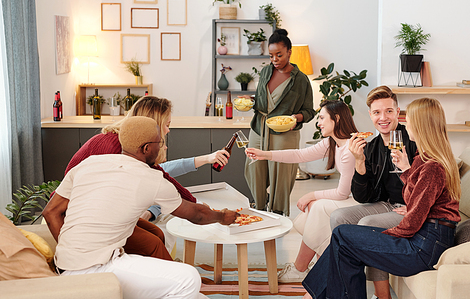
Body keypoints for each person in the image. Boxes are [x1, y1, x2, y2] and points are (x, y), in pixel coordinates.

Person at [43, 116, 239, 299]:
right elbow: (196, 215)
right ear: (146, 148)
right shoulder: (151, 179)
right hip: (98, 268)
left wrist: (74, 254)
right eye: (159, 143)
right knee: (189, 278)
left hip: (66, 265)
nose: (163, 146)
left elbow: (50, 212)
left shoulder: (88, 164)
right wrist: (222, 217)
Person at [303, 97, 461, 299]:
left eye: (409, 119)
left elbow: (412, 222)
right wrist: (406, 171)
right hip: (425, 239)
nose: (405, 123)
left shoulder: (433, 166)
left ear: (421, 125)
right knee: (344, 240)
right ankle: (316, 294)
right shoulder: (424, 159)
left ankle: (311, 294)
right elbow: (416, 200)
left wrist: (377, 234)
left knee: (344, 236)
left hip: (423, 248)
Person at [64, 96, 230, 261]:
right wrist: (199, 208)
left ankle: (157, 276)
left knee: (157, 233)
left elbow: (161, 175)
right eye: (167, 125)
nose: (168, 131)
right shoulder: (114, 146)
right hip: (85, 217)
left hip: (101, 210)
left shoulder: (132, 146)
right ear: (152, 125)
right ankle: (170, 280)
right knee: (153, 243)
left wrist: (194, 203)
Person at [246, 100, 359, 282]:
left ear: (336, 119)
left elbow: (342, 194)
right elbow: (299, 155)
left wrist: (311, 195)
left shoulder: (349, 149)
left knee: (316, 206)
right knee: (315, 207)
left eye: (322, 118)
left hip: (362, 202)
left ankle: (302, 269)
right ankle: (317, 266)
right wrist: (265, 154)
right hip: (352, 197)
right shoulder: (333, 142)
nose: (318, 122)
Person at [328, 85, 418, 299]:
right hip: (387, 204)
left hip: (409, 207)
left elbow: (429, 181)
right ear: (370, 115)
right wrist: (359, 162)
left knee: (368, 225)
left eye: (388, 111)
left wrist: (415, 206)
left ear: (398, 112)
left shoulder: (414, 141)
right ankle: (351, 287)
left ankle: (382, 296)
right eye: (377, 112)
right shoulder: (372, 147)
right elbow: (364, 197)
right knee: (338, 217)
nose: (383, 118)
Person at [243, 29, 315, 216]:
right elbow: (261, 100)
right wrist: (250, 100)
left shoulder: (301, 80)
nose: (274, 59)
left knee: (281, 172)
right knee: (254, 168)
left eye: (279, 55)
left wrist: (294, 119)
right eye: (271, 55)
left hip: (285, 131)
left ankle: (277, 213)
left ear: (289, 52)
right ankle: (259, 208)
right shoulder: (266, 71)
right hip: (259, 128)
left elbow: (309, 111)